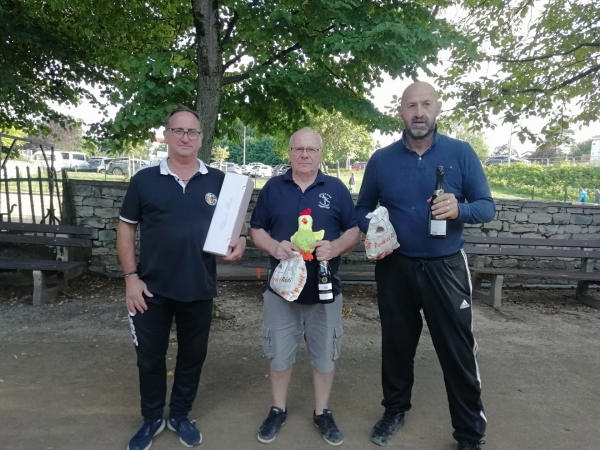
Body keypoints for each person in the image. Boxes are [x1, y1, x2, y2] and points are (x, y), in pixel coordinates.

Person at [355, 82, 496, 450]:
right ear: (400, 111)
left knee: (457, 349)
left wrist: (459, 209)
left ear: (437, 109)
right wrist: (373, 228)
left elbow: (487, 206)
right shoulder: (382, 159)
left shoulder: (461, 153)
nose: (419, 112)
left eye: (426, 105)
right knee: (397, 346)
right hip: (395, 266)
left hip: (445, 266)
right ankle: (394, 411)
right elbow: (361, 208)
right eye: (411, 105)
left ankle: (469, 433)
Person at [117, 105, 247, 450]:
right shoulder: (144, 180)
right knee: (149, 357)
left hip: (198, 287)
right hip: (150, 288)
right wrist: (131, 277)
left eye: (192, 131)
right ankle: (151, 419)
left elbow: (238, 230)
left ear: (201, 138)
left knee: (192, 356)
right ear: (167, 135)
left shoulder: (220, 182)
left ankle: (179, 415)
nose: (186, 137)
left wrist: (241, 242)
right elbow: (126, 229)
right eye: (179, 130)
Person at [250, 127, 361, 446]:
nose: (304, 154)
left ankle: (322, 412)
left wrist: (336, 247)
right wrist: (274, 247)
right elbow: (256, 230)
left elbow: (355, 230)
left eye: (311, 150)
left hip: (325, 292)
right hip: (281, 291)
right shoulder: (272, 188)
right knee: (279, 356)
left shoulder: (337, 189)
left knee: (324, 356)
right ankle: (277, 409)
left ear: (320, 154)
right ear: (289, 153)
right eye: (298, 149)